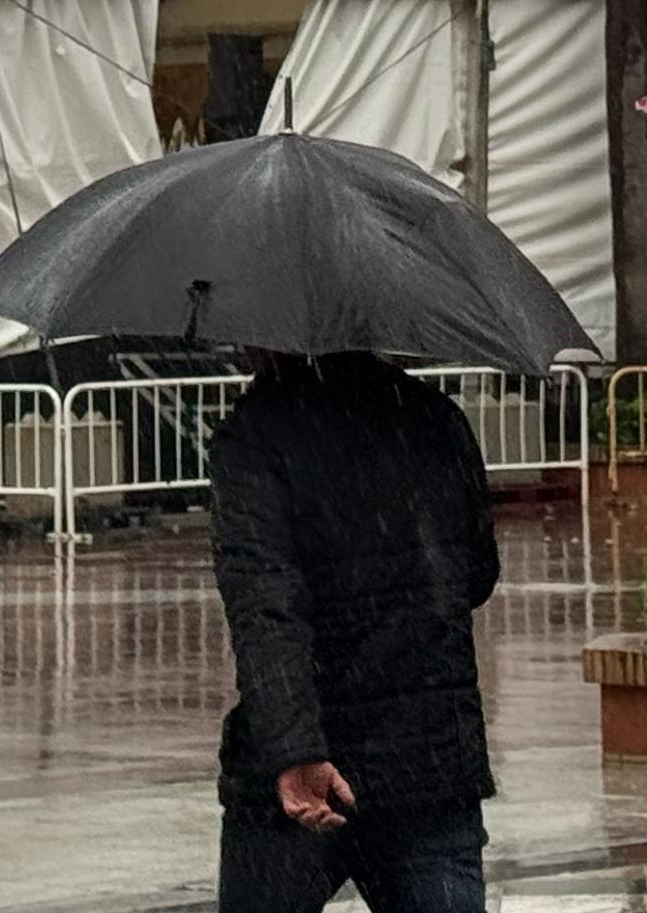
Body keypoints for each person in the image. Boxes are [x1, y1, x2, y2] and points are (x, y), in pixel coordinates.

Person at [206, 349, 501, 913]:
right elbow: (476, 574)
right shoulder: (433, 415)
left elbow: (265, 606)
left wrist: (297, 752)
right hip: (429, 759)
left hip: (304, 777)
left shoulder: (255, 434)